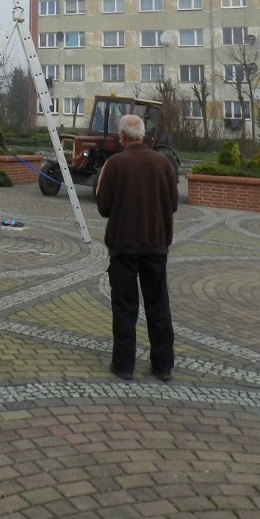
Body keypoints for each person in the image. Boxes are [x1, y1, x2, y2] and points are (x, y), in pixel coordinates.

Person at [95, 112, 178, 382]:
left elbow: (104, 207)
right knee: (158, 305)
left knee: (124, 307)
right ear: (142, 135)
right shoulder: (164, 163)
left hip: (123, 247)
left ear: (122, 137)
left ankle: (123, 366)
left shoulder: (114, 164)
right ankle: (163, 366)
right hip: (156, 245)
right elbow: (173, 204)